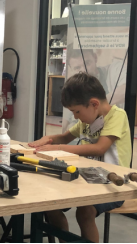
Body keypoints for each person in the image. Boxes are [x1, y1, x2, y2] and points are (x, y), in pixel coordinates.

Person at [29, 73, 131, 243]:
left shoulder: (117, 116)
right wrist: (47, 139)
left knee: (85, 211)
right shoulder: (87, 120)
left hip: (115, 184)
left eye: (76, 111)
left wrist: (58, 147)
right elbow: (65, 137)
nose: (75, 116)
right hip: (87, 179)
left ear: (94, 104)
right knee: (49, 202)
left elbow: (100, 148)